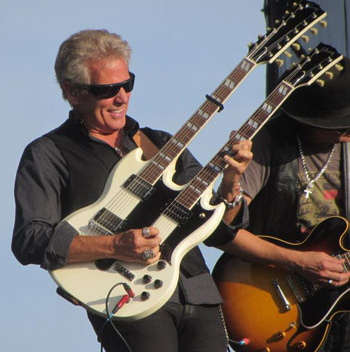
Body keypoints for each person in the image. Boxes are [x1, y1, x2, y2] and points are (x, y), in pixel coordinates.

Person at [11, 29, 252, 352]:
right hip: (126, 300)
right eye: (108, 89)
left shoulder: (161, 143)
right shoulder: (49, 153)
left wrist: (231, 184)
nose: (122, 96)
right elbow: (30, 240)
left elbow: (220, 229)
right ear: (73, 92)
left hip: (196, 290)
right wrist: (115, 245)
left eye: (127, 84)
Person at [218, 57, 350, 351]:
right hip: (272, 300)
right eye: (342, 123)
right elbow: (222, 232)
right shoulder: (268, 140)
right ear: (315, 119)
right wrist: (299, 262)